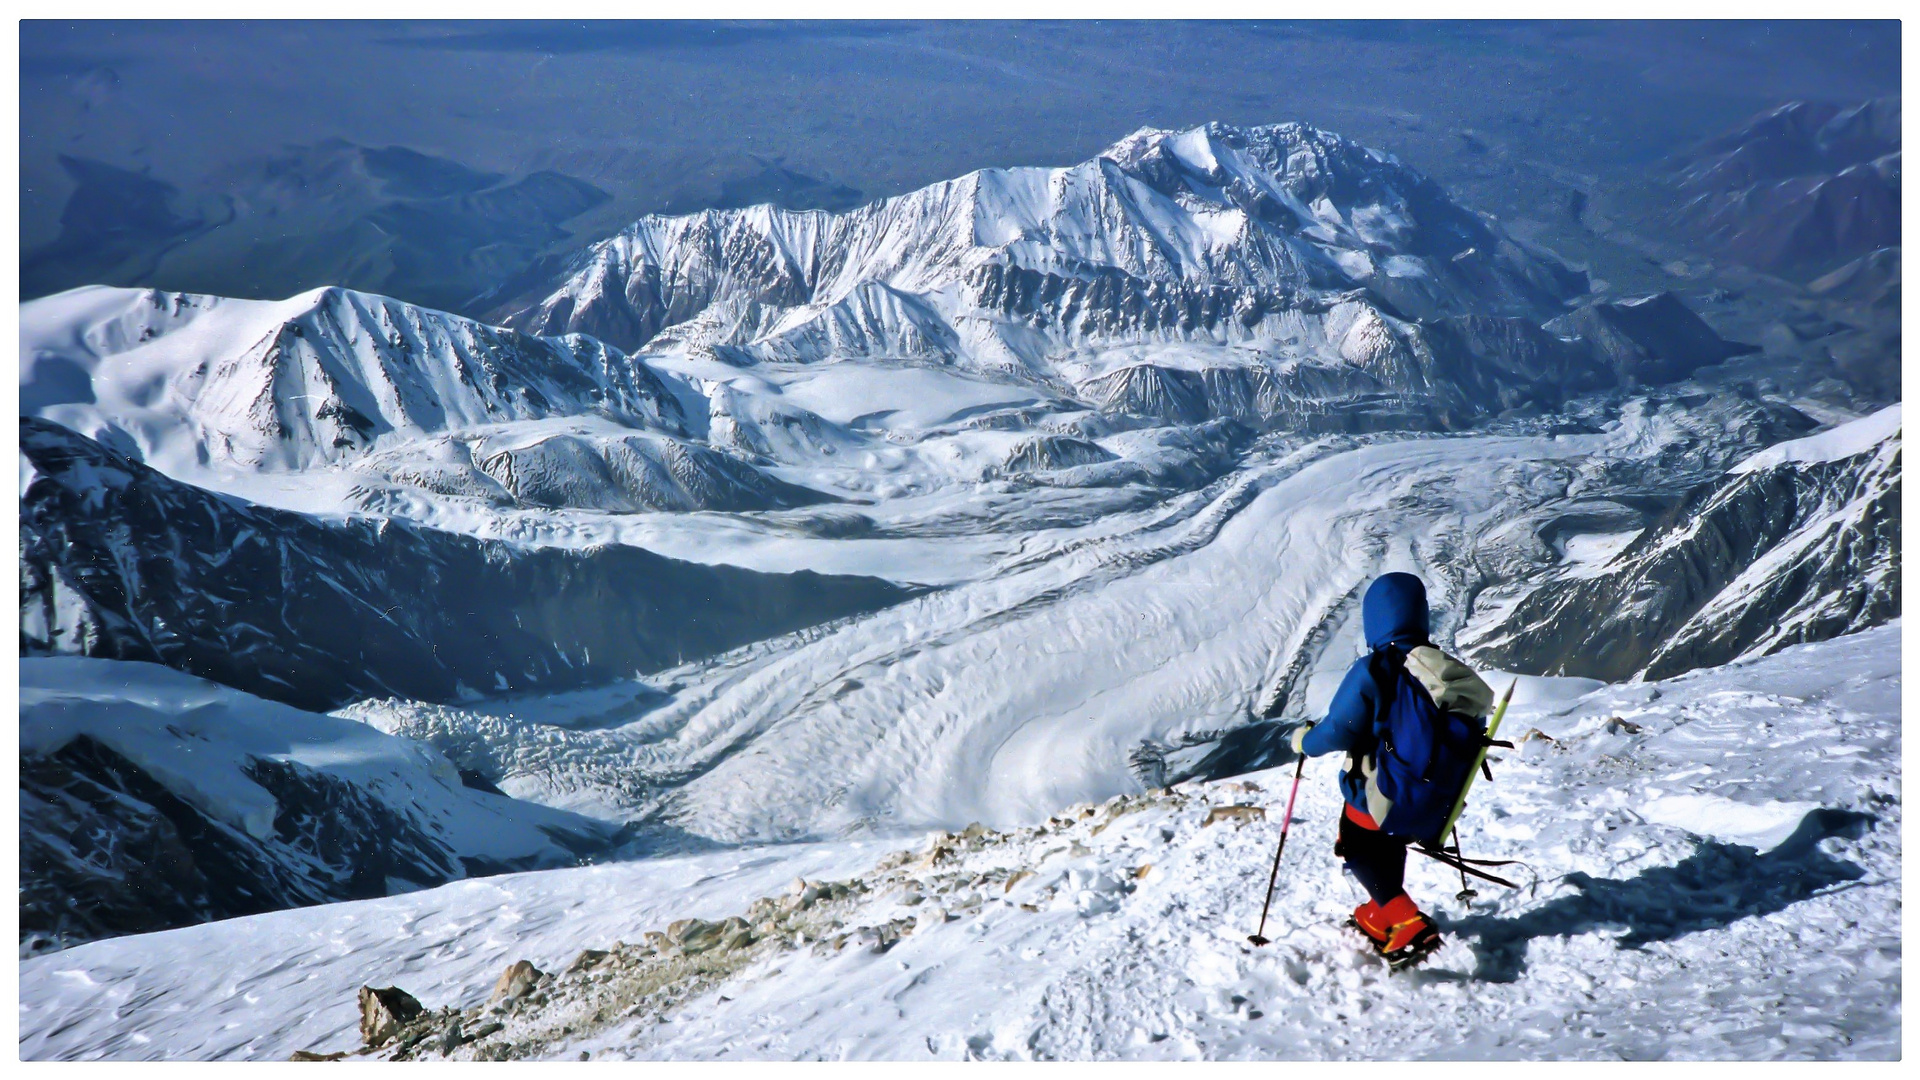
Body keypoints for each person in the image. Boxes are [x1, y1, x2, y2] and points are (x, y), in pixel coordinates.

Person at [1287, 572, 1447, 967]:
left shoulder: (1375, 669)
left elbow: (1338, 731)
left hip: (1379, 794)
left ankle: (1407, 922)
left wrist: (1303, 741)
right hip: (1432, 799)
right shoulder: (1441, 667)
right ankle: (1378, 918)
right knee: (1387, 843)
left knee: (1358, 846)